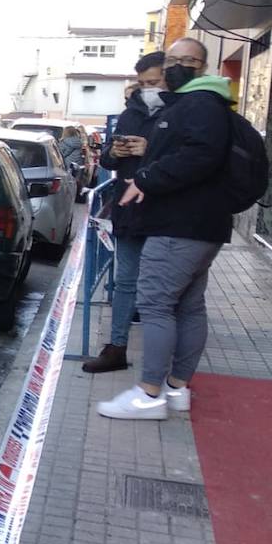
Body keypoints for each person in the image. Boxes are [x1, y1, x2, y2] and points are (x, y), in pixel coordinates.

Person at [97, 38, 234, 420]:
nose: (175, 68)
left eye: (185, 61)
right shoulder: (205, 103)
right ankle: (176, 390)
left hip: (179, 223)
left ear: (202, 66)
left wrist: (148, 176)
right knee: (189, 306)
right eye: (173, 59)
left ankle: (149, 394)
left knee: (156, 304)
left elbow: (197, 157)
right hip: (198, 223)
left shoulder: (197, 104)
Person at [83, 51, 166, 373]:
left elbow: (190, 158)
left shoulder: (183, 112)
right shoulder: (129, 114)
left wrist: (152, 149)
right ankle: (117, 348)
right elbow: (106, 161)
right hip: (129, 210)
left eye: (155, 82)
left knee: (161, 286)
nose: (149, 89)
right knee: (125, 281)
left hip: (166, 212)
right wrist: (114, 152)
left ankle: (163, 361)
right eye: (143, 83)